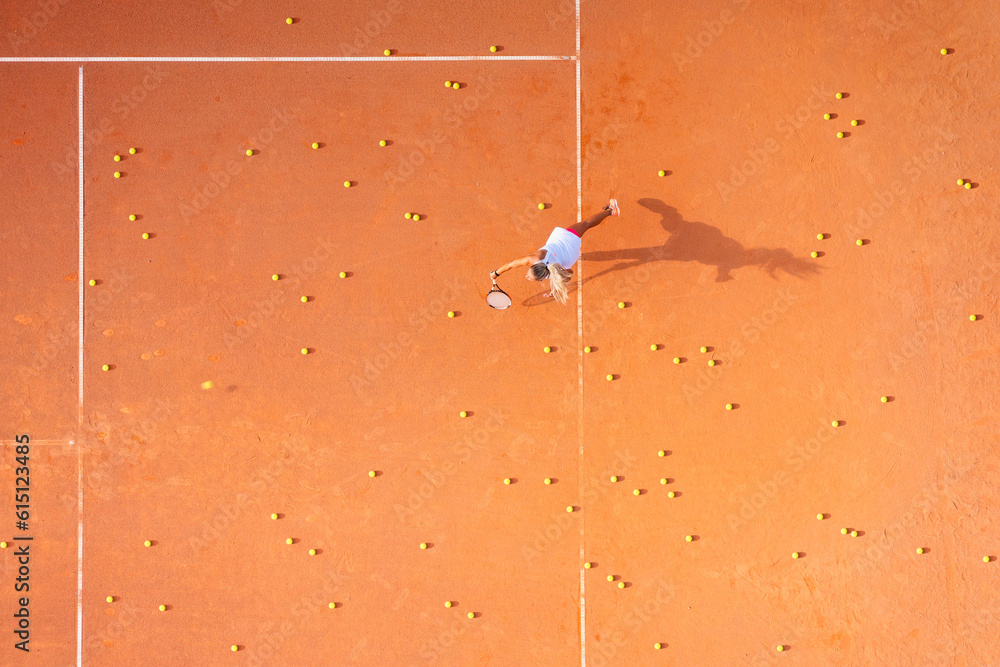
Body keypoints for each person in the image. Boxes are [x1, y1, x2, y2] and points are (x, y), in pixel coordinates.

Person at [490, 199, 619, 304]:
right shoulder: (532, 258)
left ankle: (611, 211)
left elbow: (570, 272)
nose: (526, 276)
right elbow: (511, 264)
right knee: (585, 224)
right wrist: (495, 273)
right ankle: (611, 211)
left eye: (528, 275)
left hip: (569, 256)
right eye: (530, 276)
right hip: (566, 240)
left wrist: (557, 287)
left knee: (582, 229)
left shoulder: (554, 272)